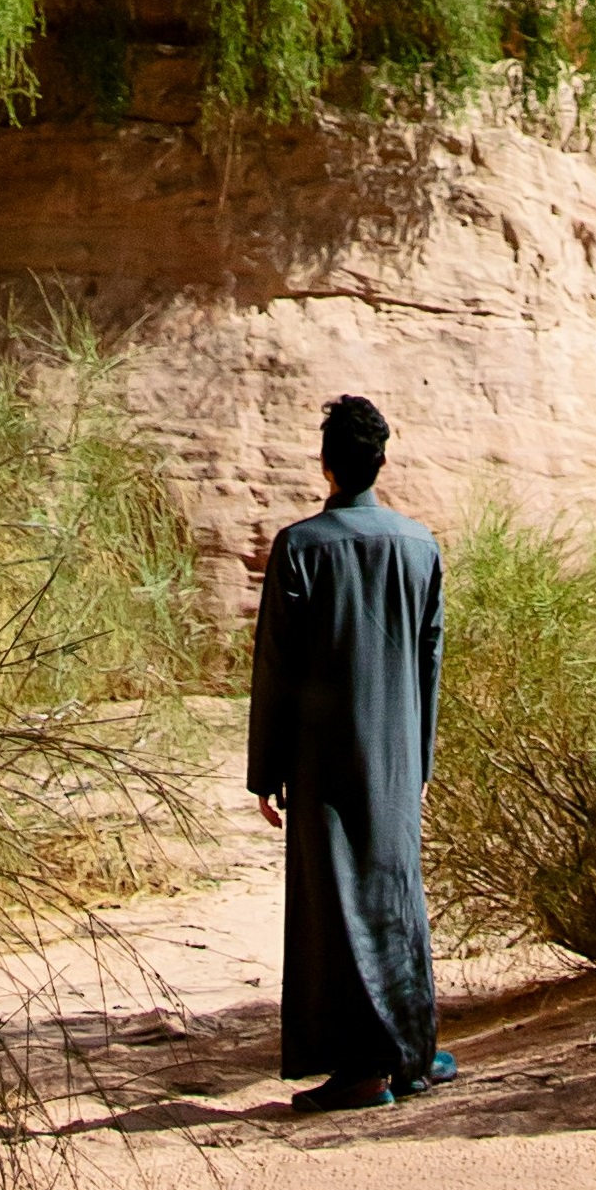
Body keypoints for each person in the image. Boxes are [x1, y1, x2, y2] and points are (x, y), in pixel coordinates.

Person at [246, 392, 454, 1115]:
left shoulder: (301, 545)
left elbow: (275, 664)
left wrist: (263, 771)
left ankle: (364, 1071)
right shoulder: (420, 543)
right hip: (397, 752)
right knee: (394, 895)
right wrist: (420, 761)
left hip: (320, 758)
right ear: (381, 461)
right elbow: (430, 663)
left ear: (327, 464)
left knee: (335, 906)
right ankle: (410, 1053)